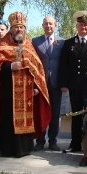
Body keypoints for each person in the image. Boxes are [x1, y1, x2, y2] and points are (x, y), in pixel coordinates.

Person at [0, 11, 51, 157]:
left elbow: (37, 70)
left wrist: (36, 88)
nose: (19, 30)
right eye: (16, 27)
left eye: (21, 27)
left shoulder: (29, 47)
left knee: (26, 119)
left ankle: (25, 148)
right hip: (8, 91)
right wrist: (9, 66)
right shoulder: (2, 46)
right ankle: (8, 149)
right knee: (8, 119)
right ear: (11, 29)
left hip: (27, 93)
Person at [58, 11, 87, 153]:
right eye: (81, 25)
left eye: (86, 24)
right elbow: (63, 65)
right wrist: (63, 83)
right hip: (75, 85)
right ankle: (76, 143)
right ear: (77, 26)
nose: (83, 27)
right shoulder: (69, 43)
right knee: (77, 114)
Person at [32, 16, 65, 151]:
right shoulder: (35, 41)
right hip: (41, 83)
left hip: (56, 83)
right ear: (42, 25)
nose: (48, 26)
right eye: (46, 24)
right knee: (41, 111)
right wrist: (34, 84)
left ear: (55, 25)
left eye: (51, 24)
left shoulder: (62, 42)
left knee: (55, 112)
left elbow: (65, 64)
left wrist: (64, 83)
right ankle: (40, 140)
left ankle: (53, 140)